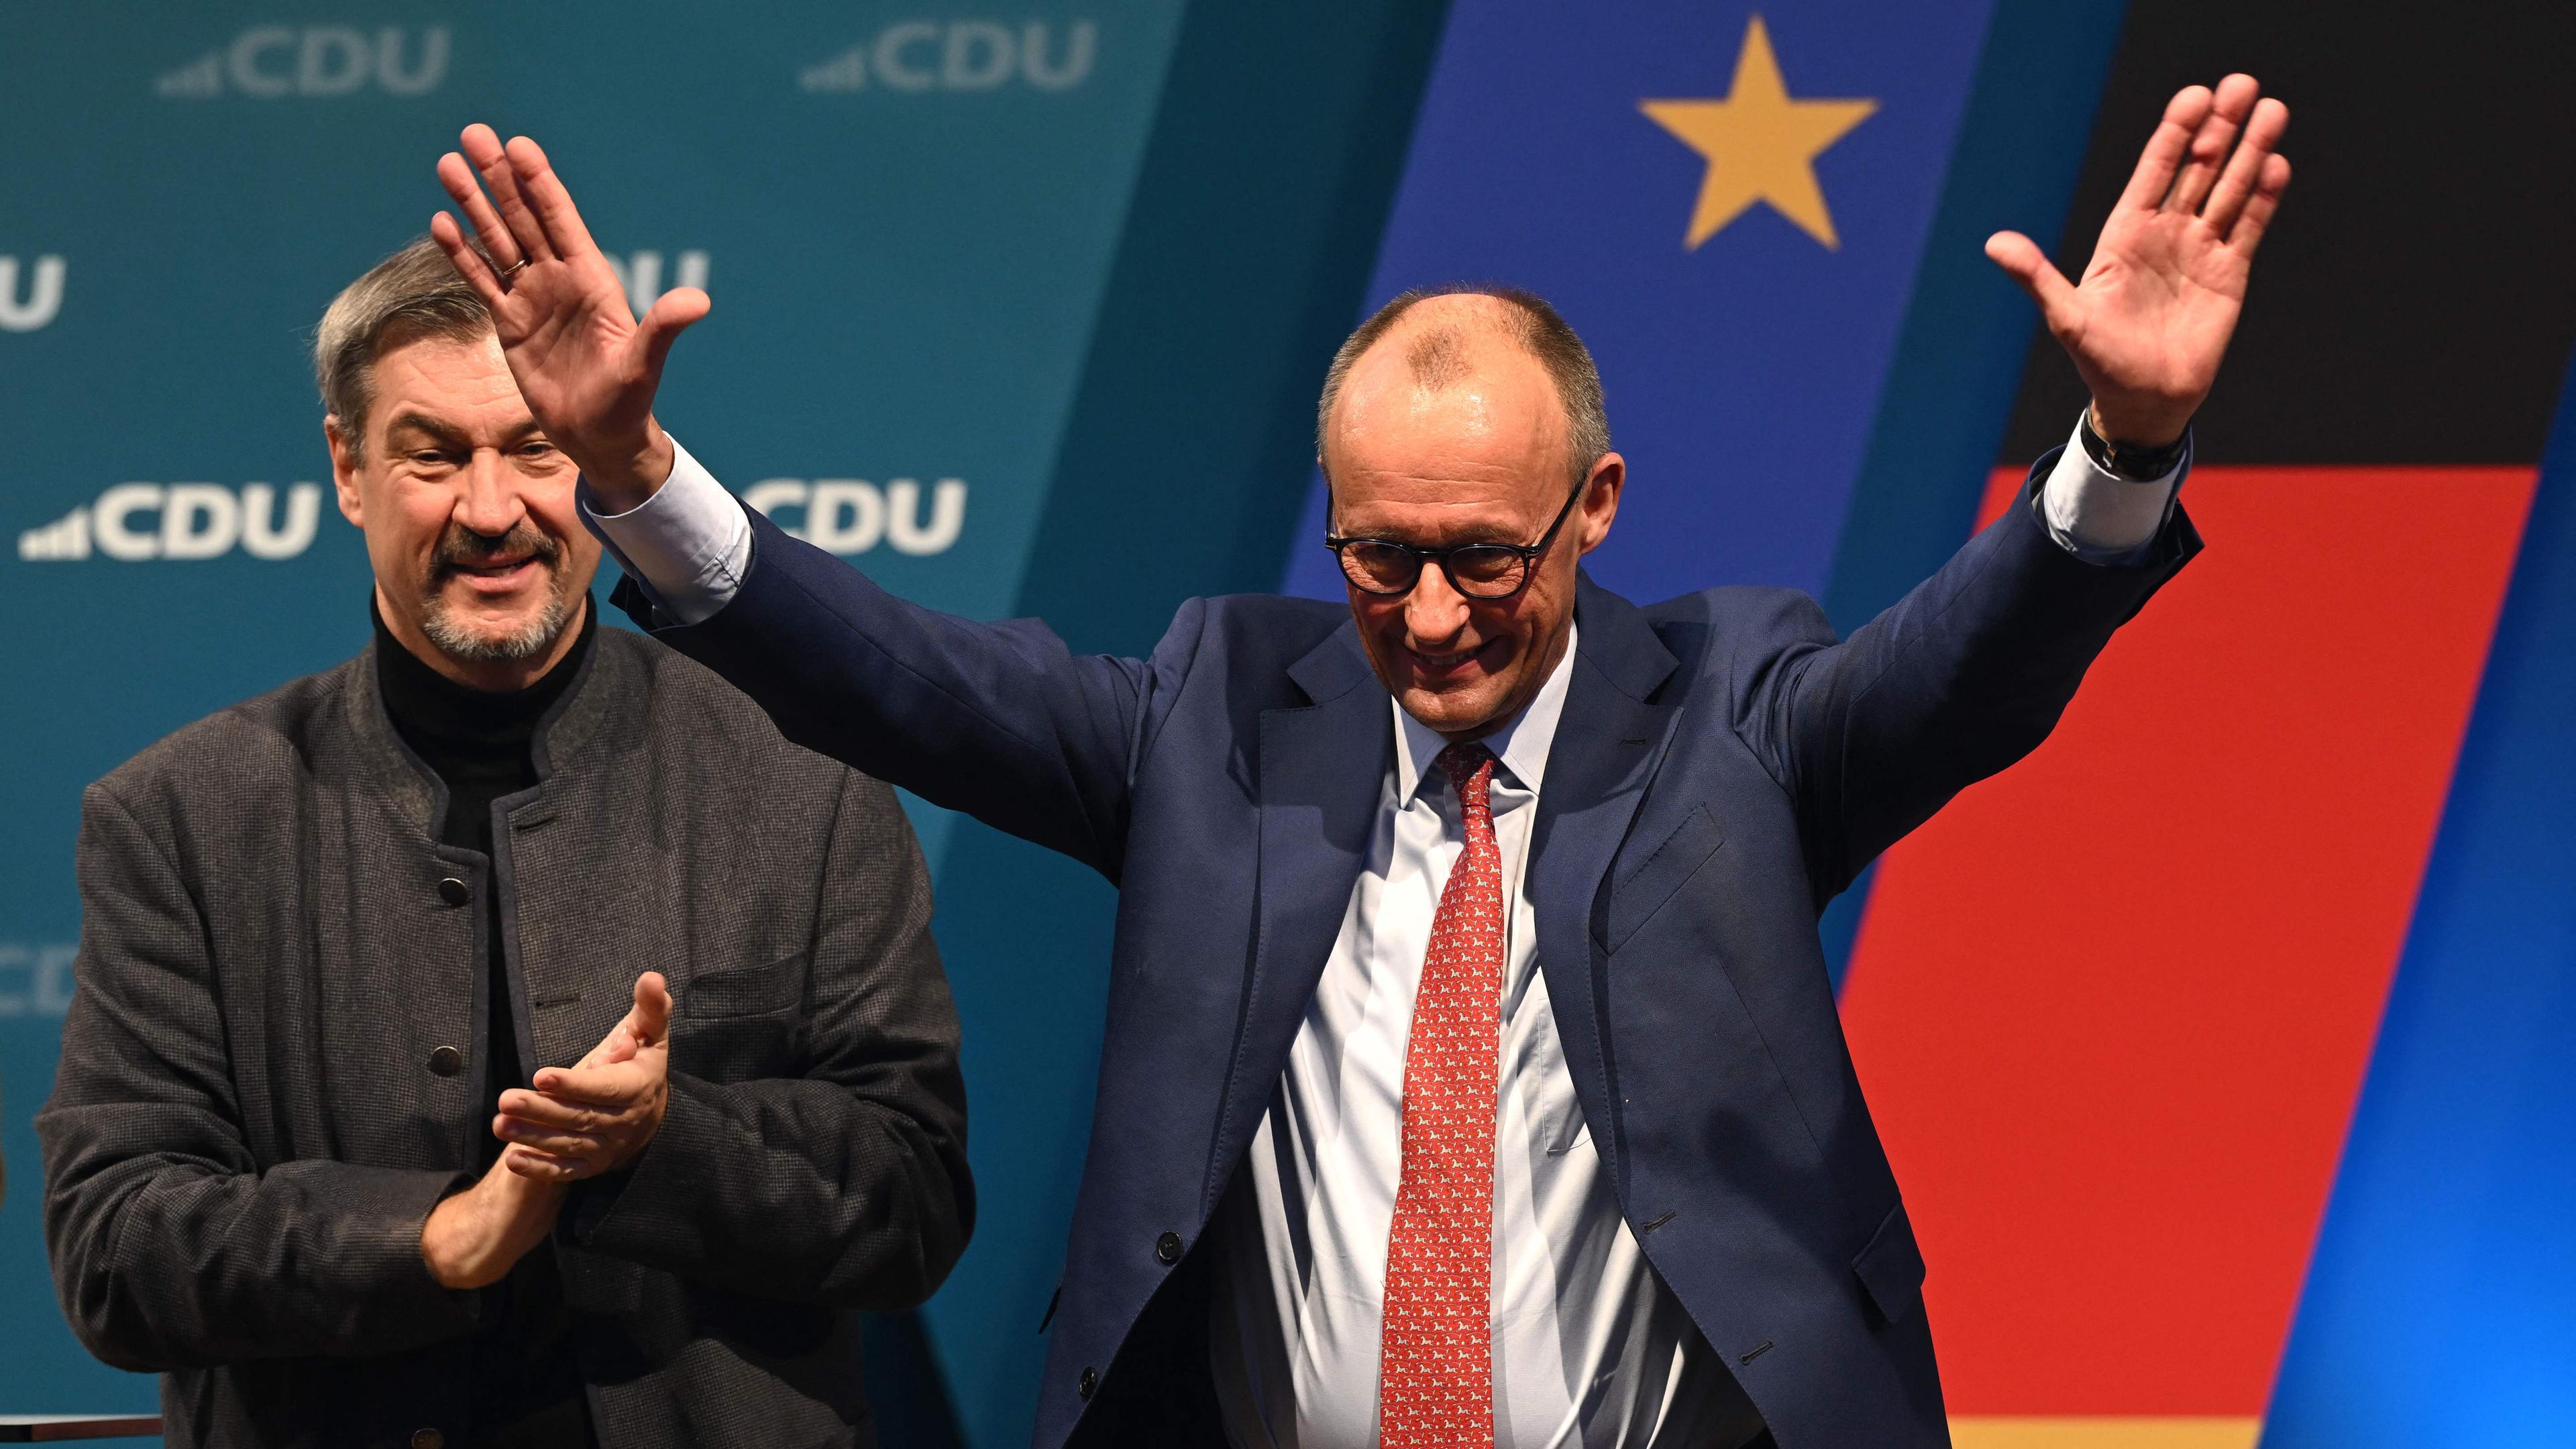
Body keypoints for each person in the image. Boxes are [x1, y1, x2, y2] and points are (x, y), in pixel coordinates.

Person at [426, 70, 2289, 1448]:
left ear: (1596, 510)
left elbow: (1961, 676)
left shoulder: (1736, 705)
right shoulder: (1212, 713)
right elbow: (898, 681)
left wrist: (2121, 448)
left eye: (1491, 555)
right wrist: (632, 477)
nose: (1437, 612)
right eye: (1378, 555)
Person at [36, 237, 973, 1449]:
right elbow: (114, 1246)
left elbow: (912, 1200)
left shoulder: (803, 776)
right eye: (433, 455)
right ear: (348, 468)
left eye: (534, 448)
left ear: (590, 452)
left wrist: (659, 1140)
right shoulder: (179, 817)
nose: (492, 511)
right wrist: (434, 1239)